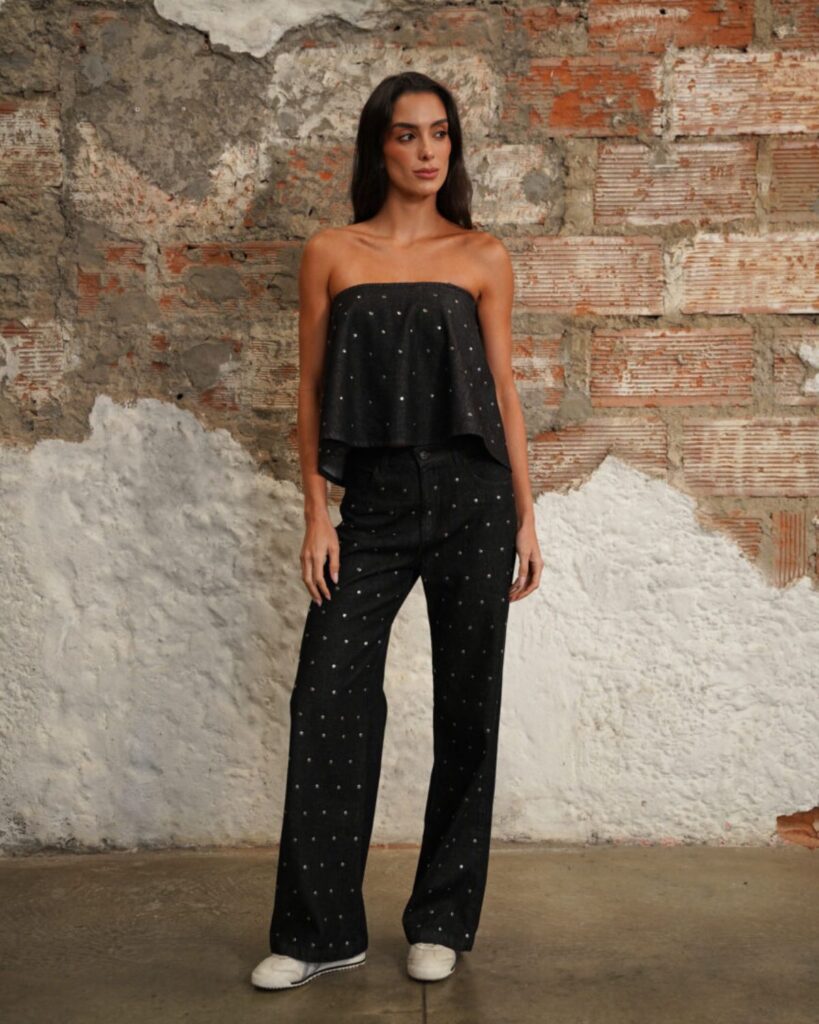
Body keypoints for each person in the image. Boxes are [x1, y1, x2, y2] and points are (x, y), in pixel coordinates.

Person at [251, 71, 542, 992]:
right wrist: (316, 512)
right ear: (378, 146)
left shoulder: (481, 255)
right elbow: (308, 389)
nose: (427, 151)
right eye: (408, 134)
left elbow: (502, 392)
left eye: (440, 134)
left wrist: (527, 513)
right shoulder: (331, 252)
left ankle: (442, 920)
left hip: (473, 499)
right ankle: (320, 932)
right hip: (370, 504)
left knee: (467, 707)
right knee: (326, 698)